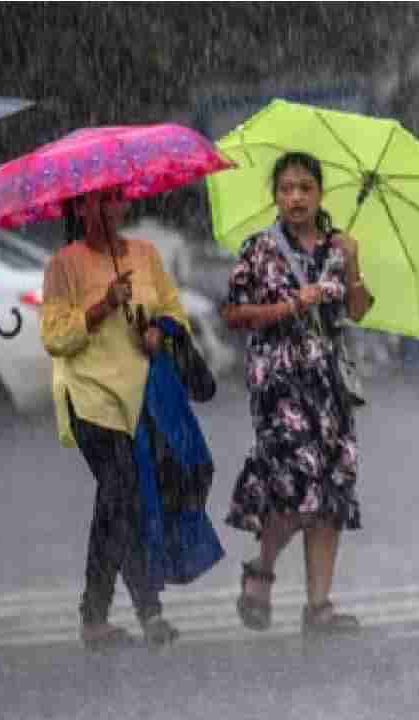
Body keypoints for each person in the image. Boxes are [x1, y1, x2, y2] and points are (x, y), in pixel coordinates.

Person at [223, 151, 374, 637]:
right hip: (278, 382)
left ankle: (319, 606)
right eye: (287, 188)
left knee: (330, 489)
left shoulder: (337, 246)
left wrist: (352, 263)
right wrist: (290, 304)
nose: (296, 197)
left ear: (319, 194)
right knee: (293, 484)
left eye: (305, 188)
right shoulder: (259, 249)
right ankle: (262, 568)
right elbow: (234, 314)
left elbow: (360, 309)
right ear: (275, 195)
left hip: (328, 384)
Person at [40, 187, 191, 649]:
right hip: (90, 399)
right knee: (121, 494)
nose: (108, 209)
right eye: (95, 201)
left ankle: (101, 615)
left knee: (122, 504)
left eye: (115, 198)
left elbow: (174, 314)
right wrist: (103, 305)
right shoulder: (63, 265)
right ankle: (140, 612)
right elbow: (56, 338)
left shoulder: (145, 255)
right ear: (79, 208)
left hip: (141, 397)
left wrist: (158, 331)